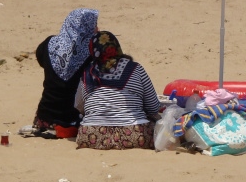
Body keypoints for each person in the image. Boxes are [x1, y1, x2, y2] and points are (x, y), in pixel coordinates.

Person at [74, 31, 161, 150]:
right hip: (134, 135)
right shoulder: (135, 68)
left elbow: (78, 105)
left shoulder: (87, 73)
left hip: (90, 135)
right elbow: (153, 107)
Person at [32, 8, 99, 138]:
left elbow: (41, 61)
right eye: (94, 25)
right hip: (72, 120)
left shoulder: (48, 44)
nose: (97, 28)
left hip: (45, 117)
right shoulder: (92, 52)